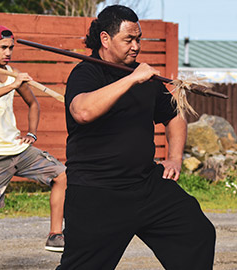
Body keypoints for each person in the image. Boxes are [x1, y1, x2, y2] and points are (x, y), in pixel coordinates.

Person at [57, 5, 216, 270]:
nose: (136, 46)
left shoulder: (147, 79)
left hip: (145, 185)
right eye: (128, 39)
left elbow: (175, 115)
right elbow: (82, 111)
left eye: (138, 39)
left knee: (196, 232)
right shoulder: (86, 73)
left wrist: (175, 158)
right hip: (97, 192)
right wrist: (131, 79)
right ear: (105, 39)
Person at [0, 25, 67, 270]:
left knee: (62, 174)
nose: (8, 52)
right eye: (3, 47)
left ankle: (54, 234)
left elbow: (34, 104)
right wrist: (14, 83)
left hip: (18, 149)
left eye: (11, 48)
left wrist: (31, 133)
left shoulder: (12, 72)